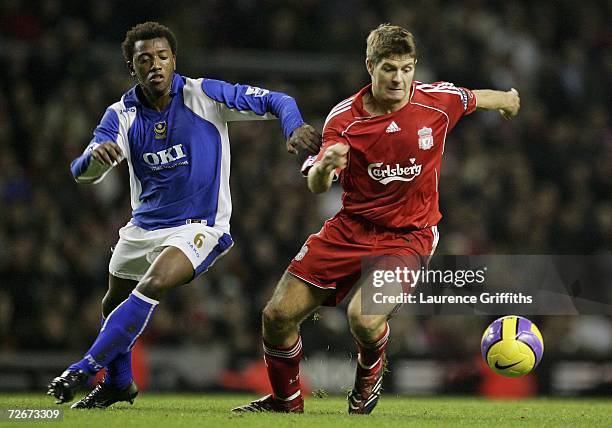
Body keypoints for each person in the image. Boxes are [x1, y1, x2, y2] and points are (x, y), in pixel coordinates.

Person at [233, 24, 520, 414]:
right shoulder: (344, 119)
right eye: (389, 68)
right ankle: (286, 403)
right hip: (350, 228)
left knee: (364, 319)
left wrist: (508, 99)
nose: (398, 78)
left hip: (409, 236)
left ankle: (365, 388)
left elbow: (476, 98)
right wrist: (325, 167)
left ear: (414, 67)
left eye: (406, 68)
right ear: (370, 66)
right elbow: (318, 184)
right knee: (277, 316)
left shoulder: (438, 102)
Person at [46, 21, 321, 409]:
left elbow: (279, 100)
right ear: (133, 67)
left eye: (162, 56)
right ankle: (119, 384)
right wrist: (94, 158)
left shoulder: (203, 94)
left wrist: (293, 128)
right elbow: (81, 172)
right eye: (145, 59)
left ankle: (84, 367)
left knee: (154, 283)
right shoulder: (121, 113)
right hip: (142, 228)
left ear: (174, 60)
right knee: (112, 304)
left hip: (200, 226)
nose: (155, 65)